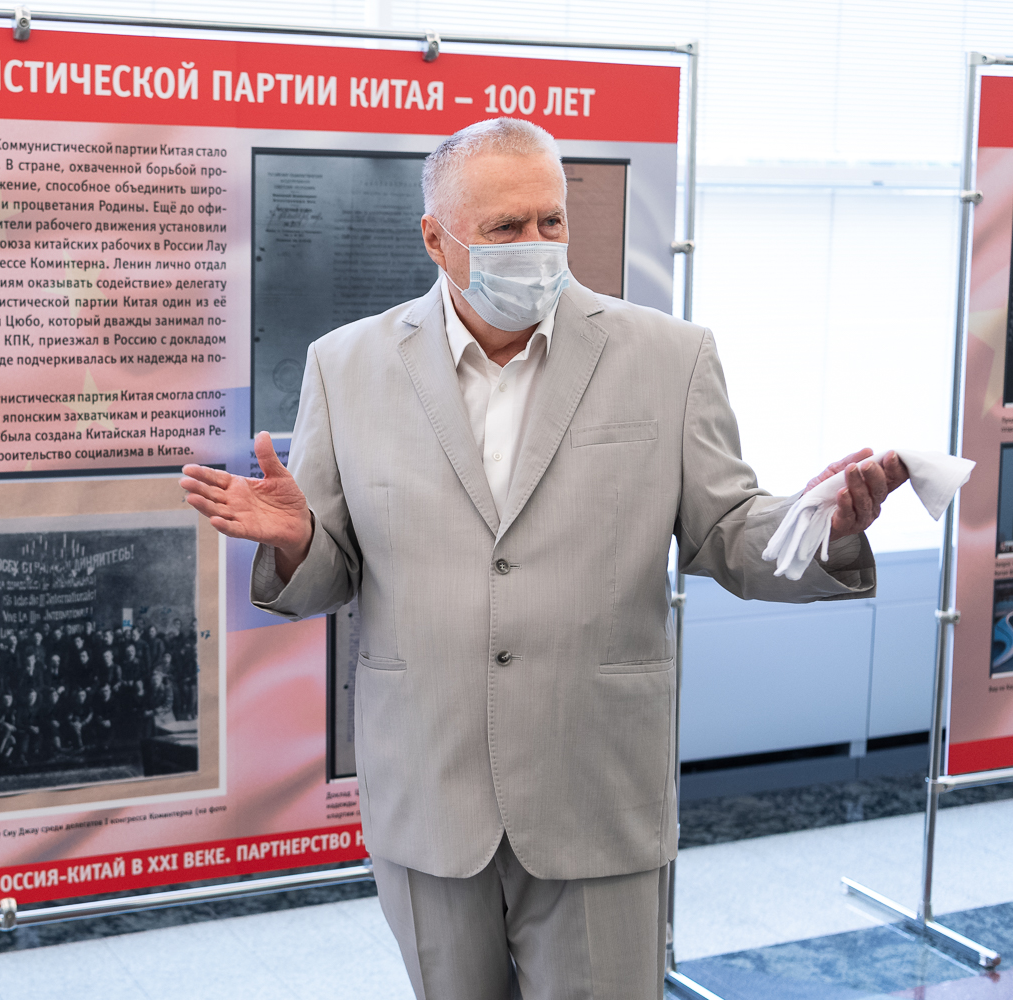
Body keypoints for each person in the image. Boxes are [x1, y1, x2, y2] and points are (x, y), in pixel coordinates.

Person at [179, 117, 909, 1000]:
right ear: (436, 239)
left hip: (595, 786)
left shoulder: (669, 357)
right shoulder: (347, 365)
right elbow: (337, 570)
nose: (537, 244)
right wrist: (299, 540)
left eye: (550, 220)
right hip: (427, 789)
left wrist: (821, 525)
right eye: (505, 227)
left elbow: (726, 531)